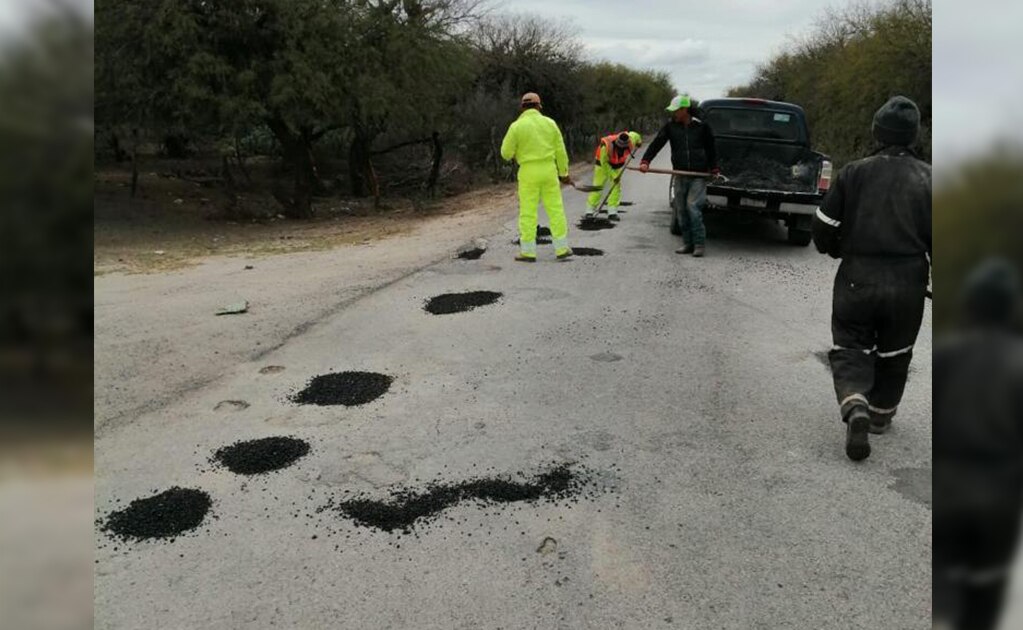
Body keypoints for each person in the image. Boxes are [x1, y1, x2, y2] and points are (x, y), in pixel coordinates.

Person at [811, 95, 931, 461]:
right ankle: (879, 416)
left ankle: (855, 404)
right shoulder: (930, 179)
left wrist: (835, 249)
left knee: (850, 345)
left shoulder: (854, 173)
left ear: (877, 132)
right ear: (914, 135)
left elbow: (824, 225)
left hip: (858, 276)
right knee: (896, 350)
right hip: (908, 281)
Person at [933, 259, 1023, 630]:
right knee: (982, 600)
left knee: (941, 597)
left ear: (970, 303)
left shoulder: (946, 353)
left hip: (948, 492)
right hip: (998, 503)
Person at [638, 94, 719, 257]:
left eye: (676, 110)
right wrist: (646, 161)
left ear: (684, 110)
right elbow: (657, 143)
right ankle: (688, 243)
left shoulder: (702, 126)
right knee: (681, 210)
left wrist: (714, 168)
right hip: (680, 174)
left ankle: (699, 244)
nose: (673, 113)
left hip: (698, 175)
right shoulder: (670, 127)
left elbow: (711, 148)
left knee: (693, 208)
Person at [500, 92, 573, 262]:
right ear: (539, 106)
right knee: (555, 210)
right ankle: (562, 248)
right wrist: (564, 173)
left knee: (528, 212)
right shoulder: (550, 123)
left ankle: (528, 252)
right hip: (549, 170)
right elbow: (561, 151)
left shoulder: (516, 126)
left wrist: (517, 153)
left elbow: (505, 153)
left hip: (528, 172)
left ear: (522, 107)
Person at [585, 130, 642, 221]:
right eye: (620, 147)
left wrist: (639, 142)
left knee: (616, 187)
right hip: (602, 166)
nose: (621, 149)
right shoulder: (606, 147)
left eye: (624, 147)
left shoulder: (630, 140)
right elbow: (604, 164)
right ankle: (589, 211)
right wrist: (614, 176)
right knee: (598, 186)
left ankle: (612, 212)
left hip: (616, 166)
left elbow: (636, 135)